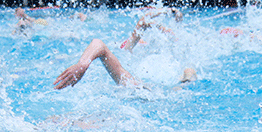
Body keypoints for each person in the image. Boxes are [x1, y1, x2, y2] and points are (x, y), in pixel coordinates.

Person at [53, 38, 196, 90]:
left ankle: (189, 73)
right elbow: (99, 45)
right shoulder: (129, 86)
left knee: (183, 84)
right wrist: (82, 65)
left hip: (165, 93)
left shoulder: (134, 87)